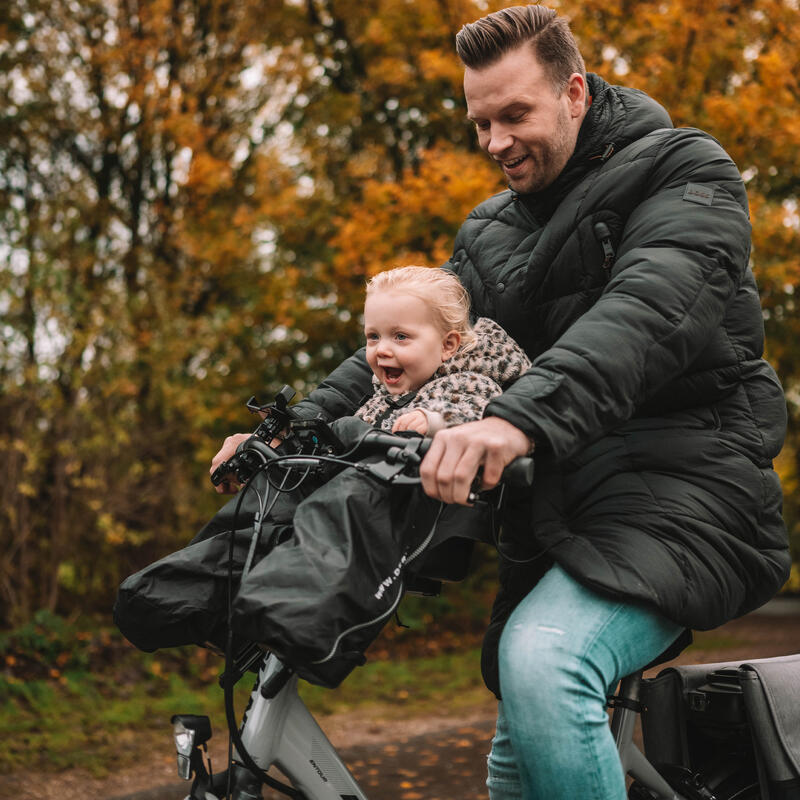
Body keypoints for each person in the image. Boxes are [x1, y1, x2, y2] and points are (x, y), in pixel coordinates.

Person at [219, 6, 789, 798]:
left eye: (515, 114)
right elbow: (413, 342)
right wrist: (296, 426)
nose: (495, 143)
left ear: (576, 93)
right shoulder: (488, 232)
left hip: (688, 493)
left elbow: (646, 314)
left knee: (545, 662)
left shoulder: (685, 172)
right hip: (557, 512)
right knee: (517, 765)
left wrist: (516, 419)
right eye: (480, 123)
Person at [114, 266, 530, 675]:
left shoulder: (470, 382)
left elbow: (470, 415)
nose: (381, 349)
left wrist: (430, 422)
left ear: (448, 345)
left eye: (400, 337)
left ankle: (296, 621)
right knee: (274, 492)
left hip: (406, 502)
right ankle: (185, 594)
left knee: (337, 505)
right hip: (356, 486)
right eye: (373, 337)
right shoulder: (381, 394)